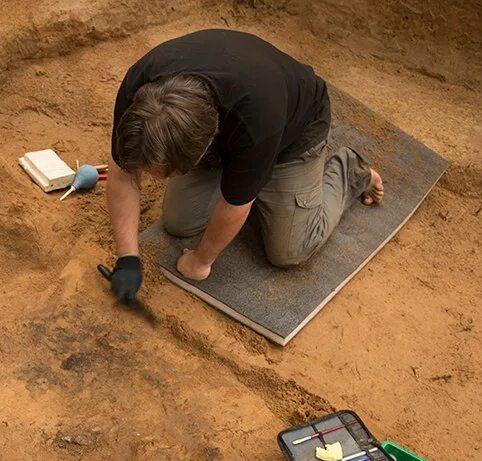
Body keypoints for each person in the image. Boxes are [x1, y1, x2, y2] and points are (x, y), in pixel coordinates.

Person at [105, 29, 384, 304]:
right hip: (228, 121)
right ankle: (251, 178)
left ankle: (349, 171)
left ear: (202, 151)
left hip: (294, 132)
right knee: (179, 222)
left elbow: (235, 205)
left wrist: (201, 261)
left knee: (289, 250)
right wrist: (127, 257)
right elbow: (121, 172)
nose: (150, 178)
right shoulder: (140, 89)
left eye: (163, 172)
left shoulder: (256, 121)